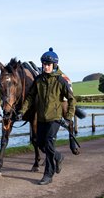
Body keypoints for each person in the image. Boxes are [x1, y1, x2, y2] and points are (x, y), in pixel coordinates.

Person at [18, 47, 76, 185]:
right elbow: (31, 97)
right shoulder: (39, 80)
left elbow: (72, 100)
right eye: (44, 64)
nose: (46, 66)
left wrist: (68, 117)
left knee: (49, 144)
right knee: (40, 144)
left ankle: (48, 175)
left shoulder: (61, 81)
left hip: (54, 119)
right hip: (42, 118)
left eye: (48, 64)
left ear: (54, 65)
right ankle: (58, 156)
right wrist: (22, 111)